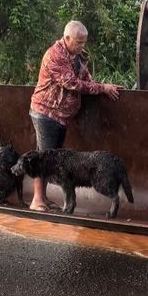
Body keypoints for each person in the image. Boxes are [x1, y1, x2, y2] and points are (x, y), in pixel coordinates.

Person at [28, 20, 122, 211]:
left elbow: (86, 78)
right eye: (79, 42)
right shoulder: (55, 55)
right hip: (46, 112)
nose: (82, 46)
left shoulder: (77, 56)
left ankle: (44, 198)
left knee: (51, 156)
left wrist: (101, 87)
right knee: (43, 157)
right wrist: (102, 88)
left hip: (61, 115)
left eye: (84, 42)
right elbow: (72, 83)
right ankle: (37, 200)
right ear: (67, 38)